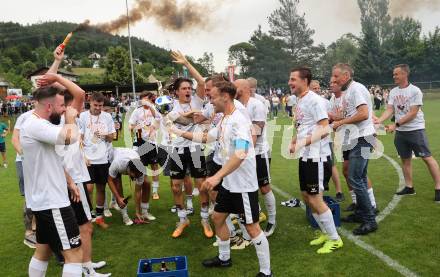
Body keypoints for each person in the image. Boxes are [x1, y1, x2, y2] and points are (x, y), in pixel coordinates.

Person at [168, 80, 272, 277]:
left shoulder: (239, 120)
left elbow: (241, 153)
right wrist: (179, 132)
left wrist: (216, 177)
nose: (210, 100)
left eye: (212, 96)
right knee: (218, 217)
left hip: (242, 185)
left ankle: (266, 272)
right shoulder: (225, 118)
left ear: (225, 96)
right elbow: (207, 137)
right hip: (230, 183)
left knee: (252, 227)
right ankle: (224, 258)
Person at [21, 84, 83, 277]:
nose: (65, 109)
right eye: (62, 105)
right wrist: (71, 119)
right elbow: (68, 138)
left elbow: (52, 159)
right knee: (74, 254)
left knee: (43, 251)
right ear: (49, 107)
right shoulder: (36, 125)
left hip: (45, 200)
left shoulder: (38, 122)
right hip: (52, 202)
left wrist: (69, 181)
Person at [289, 67, 343, 254]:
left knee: (315, 198)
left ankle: (335, 239)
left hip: (317, 157)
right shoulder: (299, 100)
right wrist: (296, 140)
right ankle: (325, 233)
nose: (290, 82)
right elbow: (302, 124)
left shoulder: (315, 100)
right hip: (306, 155)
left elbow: (324, 128)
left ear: (305, 80)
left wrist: (302, 142)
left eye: (293, 79)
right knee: (306, 196)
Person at [375, 64, 440, 202]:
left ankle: (438, 188)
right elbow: (390, 110)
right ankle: (409, 187)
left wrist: (395, 124)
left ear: (405, 74)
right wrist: (379, 121)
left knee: (427, 158)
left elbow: (413, 113)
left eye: (396, 74)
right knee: (405, 159)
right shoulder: (393, 92)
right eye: (393, 74)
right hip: (401, 132)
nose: (394, 76)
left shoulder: (415, 91)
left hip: (415, 130)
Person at [165, 50, 213, 238]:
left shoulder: (197, 101)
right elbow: (175, 119)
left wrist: (186, 62)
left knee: (201, 185)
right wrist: (188, 114)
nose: (188, 91)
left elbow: (202, 82)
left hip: (194, 149)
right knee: (176, 187)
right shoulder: (169, 106)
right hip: (177, 149)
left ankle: (204, 219)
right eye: (184, 88)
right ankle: (183, 218)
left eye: (189, 88)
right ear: (176, 92)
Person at [331, 63, 378, 235]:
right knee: (360, 176)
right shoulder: (350, 90)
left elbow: (364, 113)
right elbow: (354, 114)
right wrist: (337, 118)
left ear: (346, 76)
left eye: (336, 76)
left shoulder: (355, 89)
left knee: (355, 178)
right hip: (360, 138)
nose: (334, 80)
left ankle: (369, 219)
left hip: (363, 138)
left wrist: (340, 122)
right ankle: (361, 213)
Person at [234, 79, 277, 237]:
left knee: (264, 187)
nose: (233, 89)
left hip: (258, 152)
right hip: (243, 153)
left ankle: (272, 221)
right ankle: (252, 221)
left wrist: (244, 151)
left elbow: (257, 129)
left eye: (235, 87)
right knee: (246, 188)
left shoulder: (256, 104)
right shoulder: (236, 105)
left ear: (244, 88)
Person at [79, 92, 116, 228]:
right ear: (90, 102)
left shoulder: (107, 117)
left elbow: (112, 137)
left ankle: (99, 216)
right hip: (88, 158)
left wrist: (105, 135)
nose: (98, 108)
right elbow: (79, 138)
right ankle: (90, 214)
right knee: (88, 188)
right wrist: (83, 156)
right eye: (96, 105)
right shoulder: (82, 116)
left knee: (101, 187)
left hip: (102, 158)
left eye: (100, 105)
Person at [311, 80, 344, 202]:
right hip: (311, 141)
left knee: (332, 165)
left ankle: (339, 191)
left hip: (325, 139)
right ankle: (318, 189)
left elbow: (334, 119)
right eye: (314, 88)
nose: (317, 90)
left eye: (318, 88)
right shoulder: (305, 102)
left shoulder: (325, 102)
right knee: (313, 166)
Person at [106, 147, 155, 224]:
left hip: (130, 154)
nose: (136, 178)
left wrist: (137, 212)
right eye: (135, 176)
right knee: (118, 185)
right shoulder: (117, 164)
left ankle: (144, 212)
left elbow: (138, 191)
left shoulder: (140, 170)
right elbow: (110, 180)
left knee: (146, 183)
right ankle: (124, 215)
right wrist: (118, 198)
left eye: (138, 176)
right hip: (113, 156)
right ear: (129, 170)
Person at [129, 92, 161, 202]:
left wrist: (151, 106)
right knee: (140, 166)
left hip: (151, 142)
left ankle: (155, 191)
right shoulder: (136, 111)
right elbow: (130, 125)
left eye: (147, 99)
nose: (144, 101)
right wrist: (135, 127)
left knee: (154, 166)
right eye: (143, 99)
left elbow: (158, 118)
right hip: (140, 142)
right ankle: (143, 186)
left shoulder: (154, 109)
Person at [11, 109, 36, 248]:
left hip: (40, 162)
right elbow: (15, 140)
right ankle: (28, 232)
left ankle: (36, 227)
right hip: (23, 161)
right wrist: (25, 156)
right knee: (29, 196)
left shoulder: (49, 116)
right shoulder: (24, 117)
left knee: (40, 194)